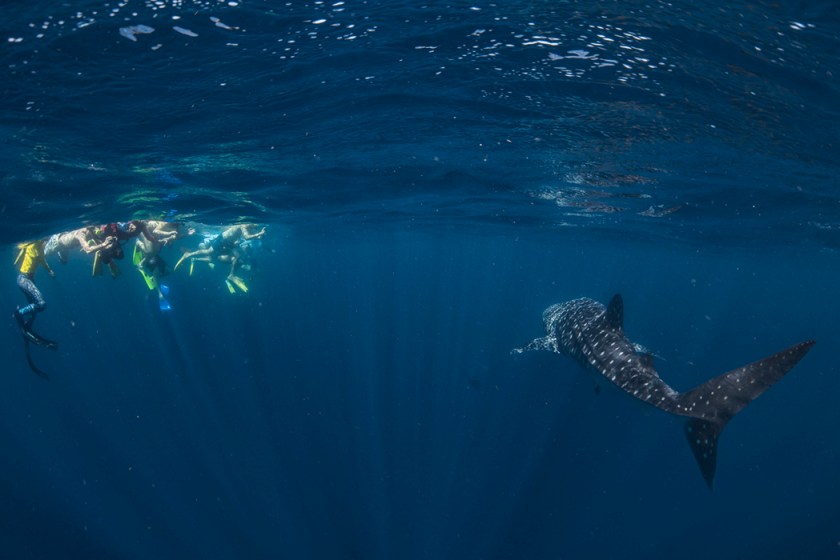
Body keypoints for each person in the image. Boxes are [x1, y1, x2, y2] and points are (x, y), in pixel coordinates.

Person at [174, 224, 265, 292]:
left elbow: (250, 236)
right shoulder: (243, 226)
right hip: (222, 240)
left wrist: (259, 236)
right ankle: (188, 254)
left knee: (236, 257)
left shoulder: (248, 227)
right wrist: (259, 234)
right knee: (208, 251)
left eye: (255, 228)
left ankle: (231, 275)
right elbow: (247, 237)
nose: (254, 229)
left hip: (229, 243)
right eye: (254, 227)